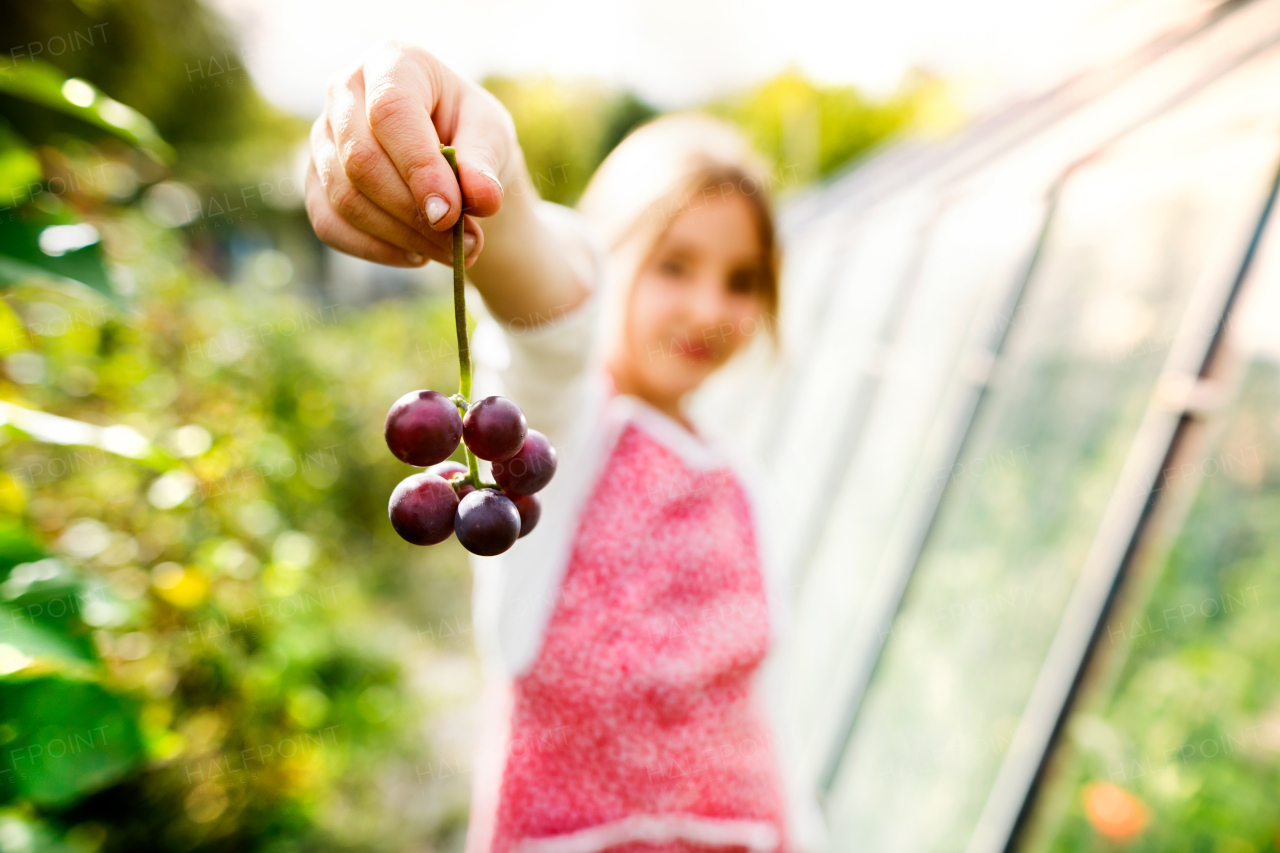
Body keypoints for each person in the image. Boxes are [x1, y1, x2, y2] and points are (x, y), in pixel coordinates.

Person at [306, 41, 826, 853]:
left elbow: (765, 718)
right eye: (674, 263)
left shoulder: (739, 481)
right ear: (608, 258)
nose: (707, 306)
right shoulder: (562, 436)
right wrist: (491, 170)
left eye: (741, 278)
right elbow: (544, 313)